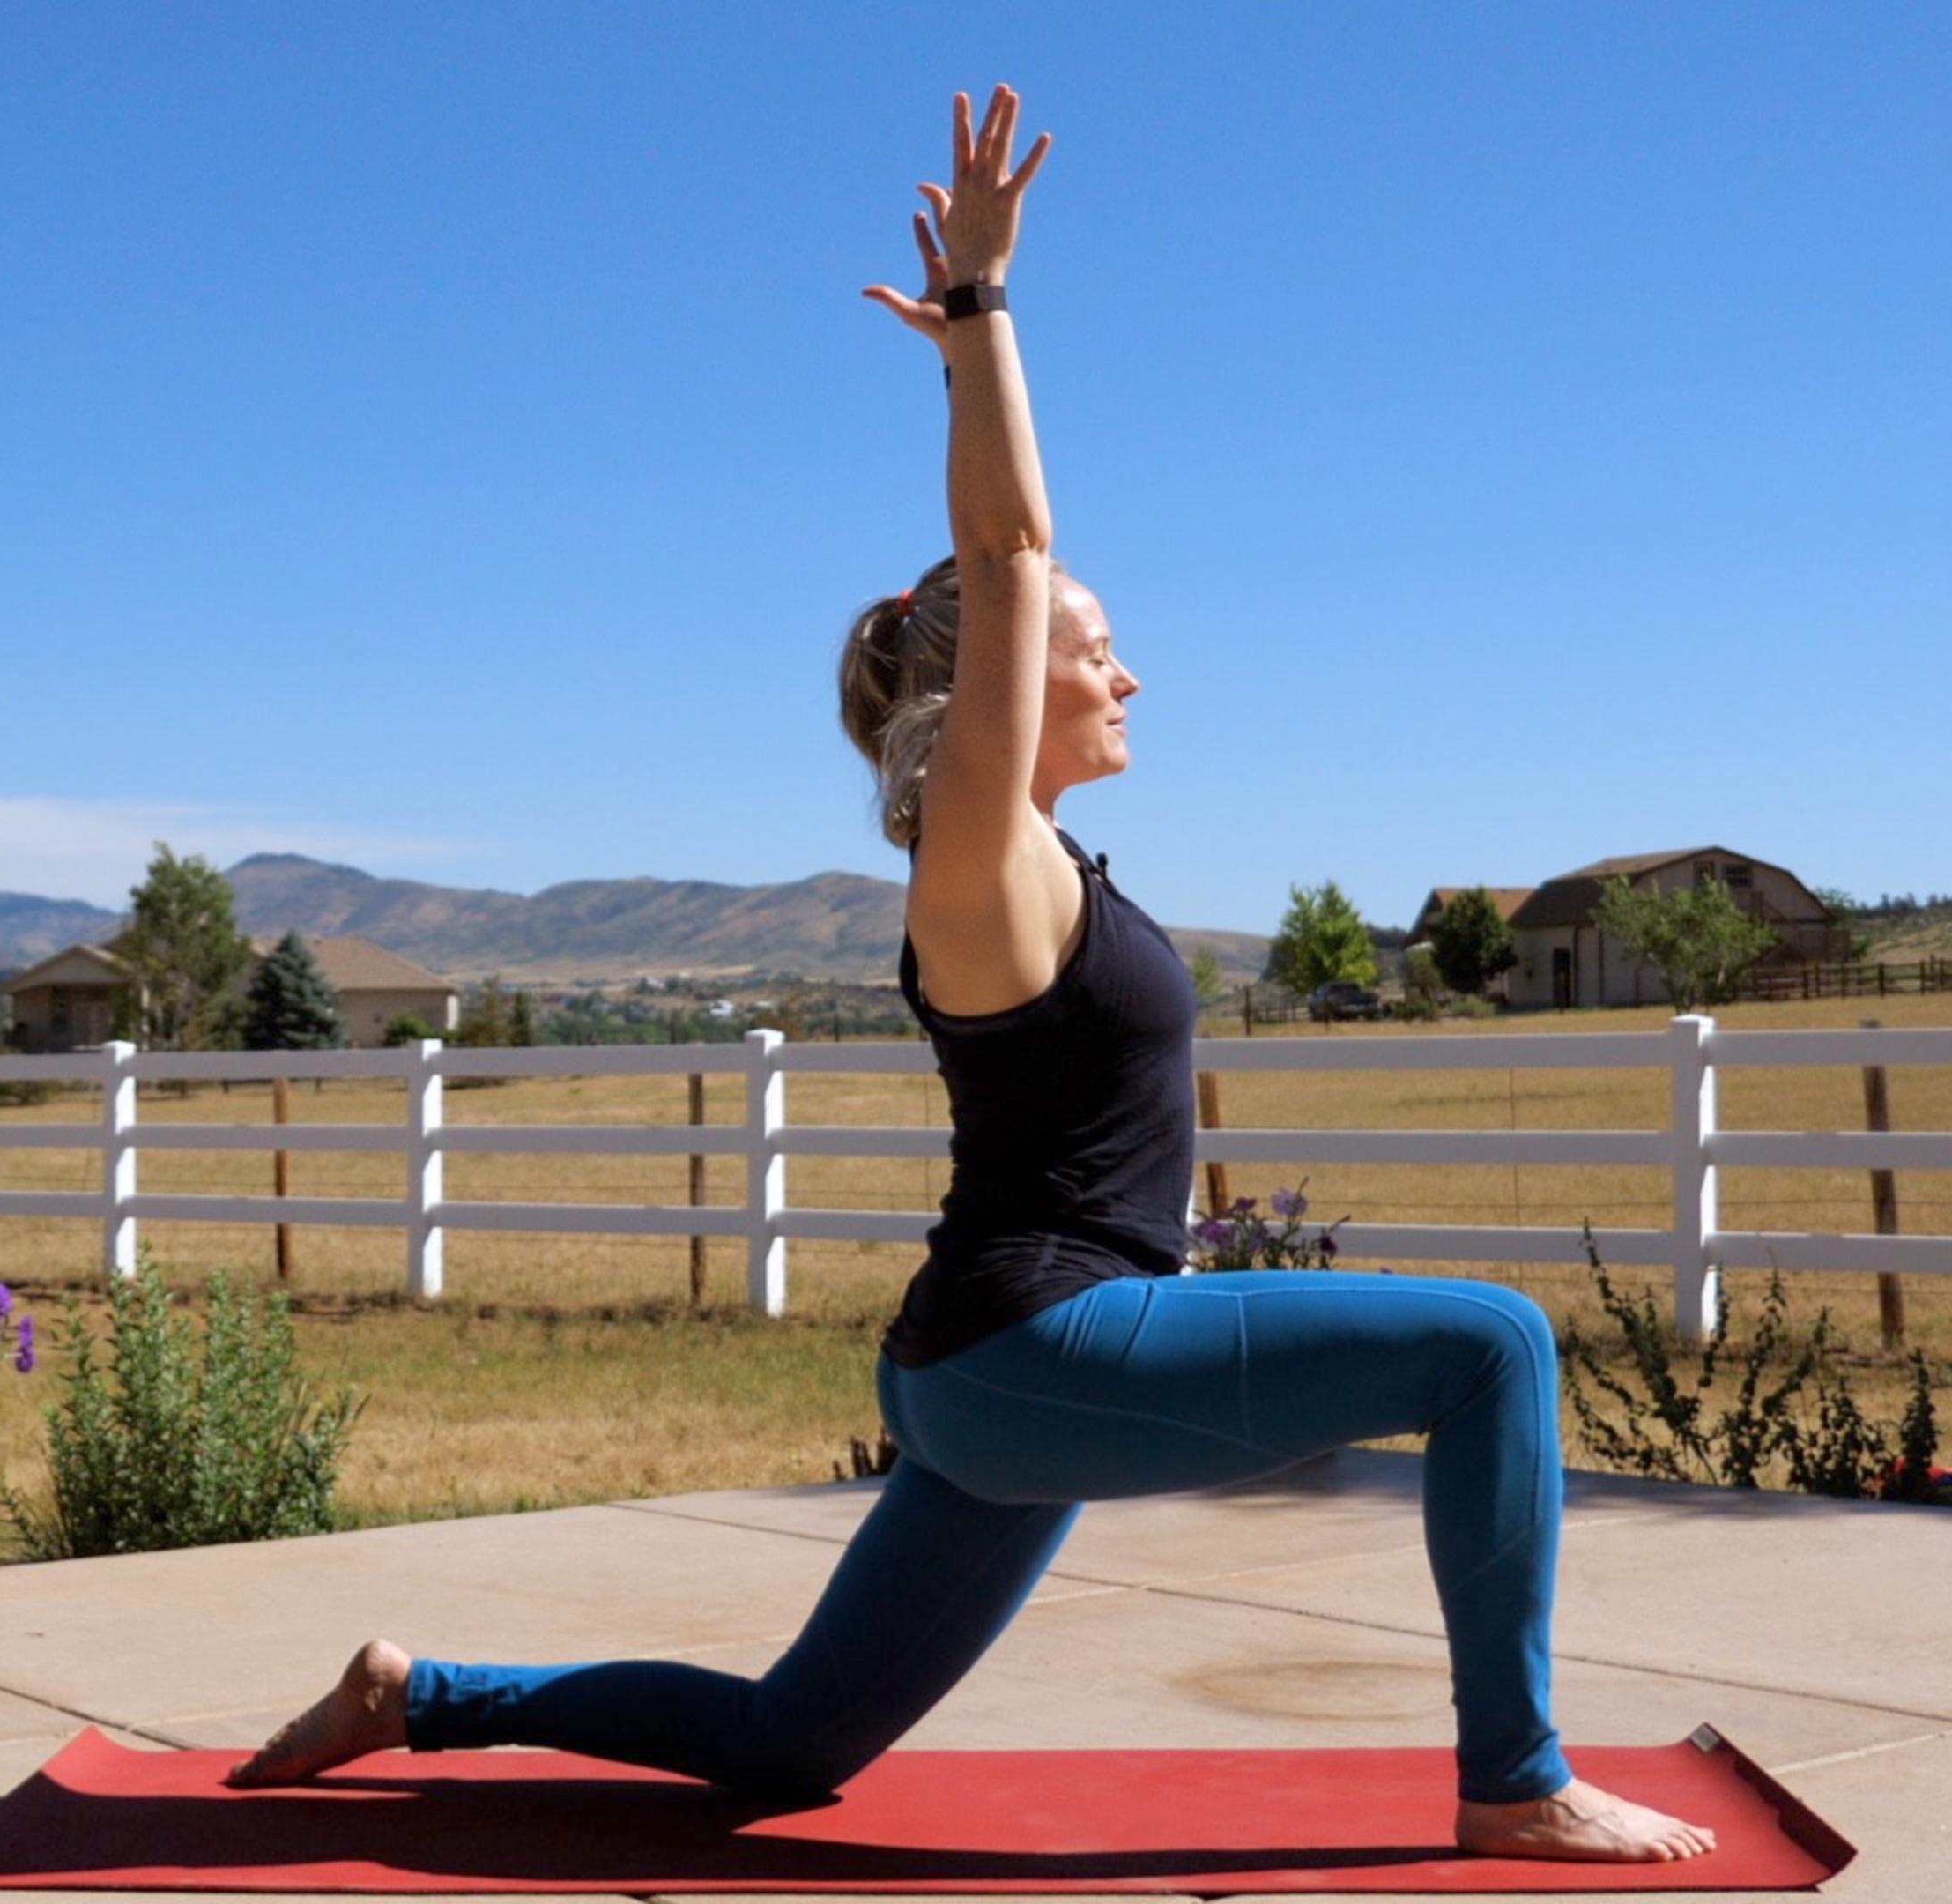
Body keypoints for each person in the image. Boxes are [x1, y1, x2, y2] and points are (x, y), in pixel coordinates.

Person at [226, 85, 1715, 1865]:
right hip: (1036, 1348)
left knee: (788, 1745)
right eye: (1099, 653)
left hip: (1004, 1375)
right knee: (1495, 1346)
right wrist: (984, 315)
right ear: (1001, 692)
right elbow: (1010, 556)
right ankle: (1516, 1781)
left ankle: (418, 1695)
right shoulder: (979, 858)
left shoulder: (1055, 867)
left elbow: (1018, 587)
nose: (1129, 676)